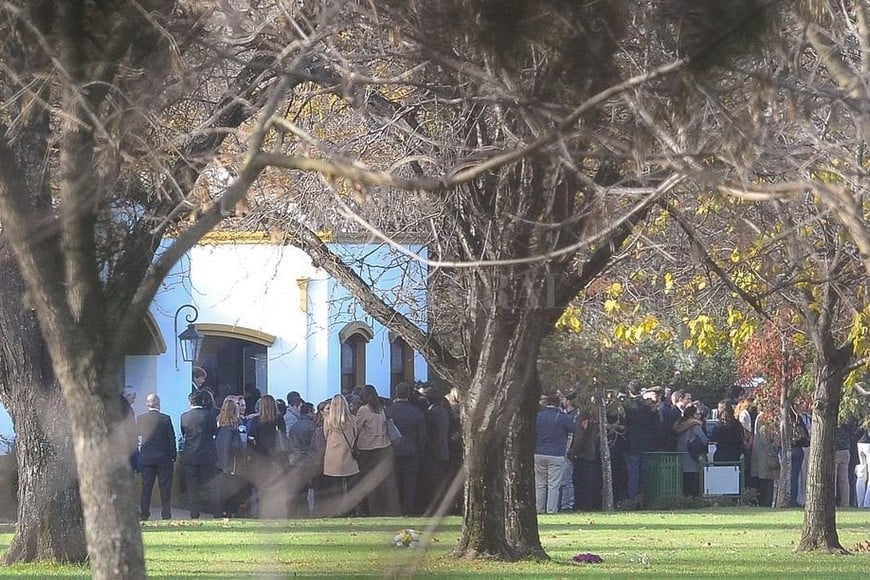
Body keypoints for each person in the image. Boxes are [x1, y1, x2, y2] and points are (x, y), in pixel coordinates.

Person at [354, 385, 399, 515]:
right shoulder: (381, 408)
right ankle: (383, 508)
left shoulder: (364, 410)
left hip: (368, 448)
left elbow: (357, 428)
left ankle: (370, 508)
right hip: (383, 446)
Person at [386, 382, 427, 515]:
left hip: (393, 450)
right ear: (408, 394)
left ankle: (395, 508)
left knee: (396, 481)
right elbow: (422, 434)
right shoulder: (416, 411)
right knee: (410, 482)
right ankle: (408, 508)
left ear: (396, 393)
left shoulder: (389, 411)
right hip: (412, 450)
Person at [534, 393, 575, 514]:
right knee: (554, 484)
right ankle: (551, 509)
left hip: (539, 452)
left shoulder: (538, 416)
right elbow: (573, 428)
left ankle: (539, 509)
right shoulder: (560, 416)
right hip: (556, 453)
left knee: (540, 483)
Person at [137, 394, 176, 520]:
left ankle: (144, 513)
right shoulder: (165, 419)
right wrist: (173, 455)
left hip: (147, 457)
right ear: (158, 403)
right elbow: (171, 438)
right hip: (163, 458)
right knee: (165, 487)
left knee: (146, 486)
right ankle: (166, 513)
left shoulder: (141, 418)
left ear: (147, 404)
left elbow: (138, 435)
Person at [247, 394, 287, 518]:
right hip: (277, 457)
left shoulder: (256, 420)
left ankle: (262, 511)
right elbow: (284, 436)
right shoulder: (279, 419)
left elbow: (251, 439)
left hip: (260, 457)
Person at [180, 390, 217, 519]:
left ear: (190, 401)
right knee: (212, 484)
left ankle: (194, 512)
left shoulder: (184, 416)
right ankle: (217, 511)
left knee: (192, 486)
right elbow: (214, 432)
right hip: (208, 454)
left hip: (191, 455)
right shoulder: (209, 415)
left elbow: (184, 433)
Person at [322, 394, 359, 516]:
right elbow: (355, 434)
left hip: (333, 457)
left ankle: (336, 510)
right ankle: (351, 510)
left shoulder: (328, 420)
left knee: (335, 487)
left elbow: (325, 436)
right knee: (350, 487)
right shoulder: (352, 419)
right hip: (348, 455)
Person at [214, 397, 244, 517]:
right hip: (232, 462)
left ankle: (220, 510)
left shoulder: (218, 424)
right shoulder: (236, 426)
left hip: (218, 461)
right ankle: (232, 510)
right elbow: (239, 445)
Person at [674, 404, 707, 497]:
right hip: (693, 457)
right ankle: (693, 500)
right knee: (693, 482)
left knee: (684, 482)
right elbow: (704, 439)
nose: (699, 416)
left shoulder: (679, 426)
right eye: (696, 414)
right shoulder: (695, 426)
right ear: (692, 415)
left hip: (681, 457)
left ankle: (686, 499)